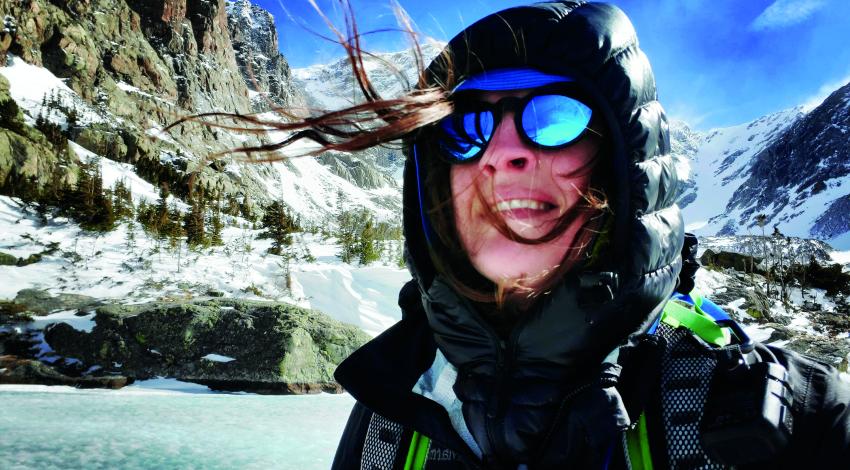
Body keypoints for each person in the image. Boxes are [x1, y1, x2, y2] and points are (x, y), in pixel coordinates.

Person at [194, 1, 849, 468]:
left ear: (623, 167)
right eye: (465, 128)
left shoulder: (778, 419)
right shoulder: (393, 418)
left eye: (555, 116)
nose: (501, 151)